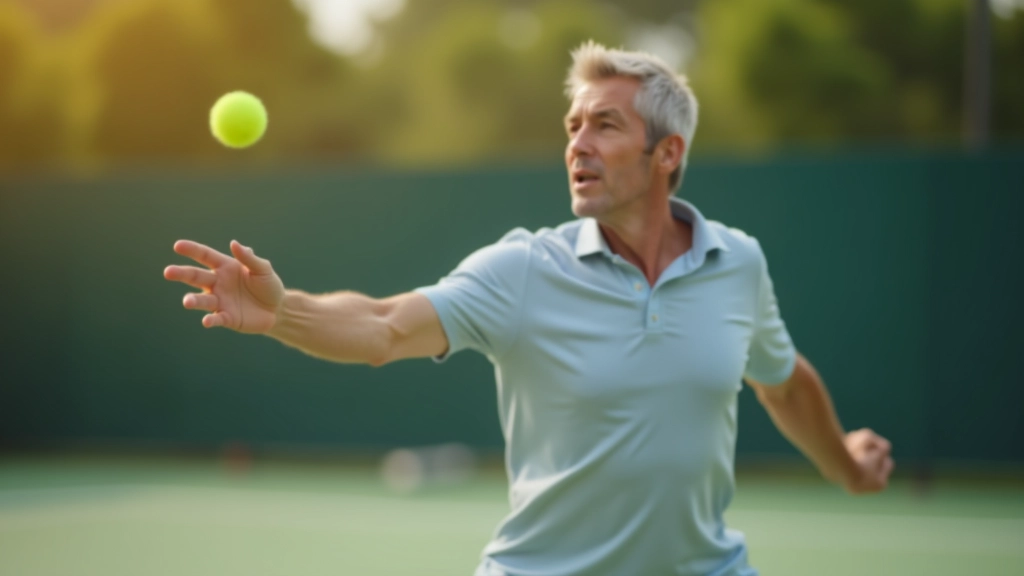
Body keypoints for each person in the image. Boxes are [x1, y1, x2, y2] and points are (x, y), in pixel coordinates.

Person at [164, 41, 894, 576]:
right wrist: (285, 310)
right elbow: (384, 326)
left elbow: (783, 381)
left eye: (605, 125)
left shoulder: (737, 262)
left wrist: (846, 467)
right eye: (572, 126)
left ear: (667, 153)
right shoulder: (522, 269)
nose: (578, 143)